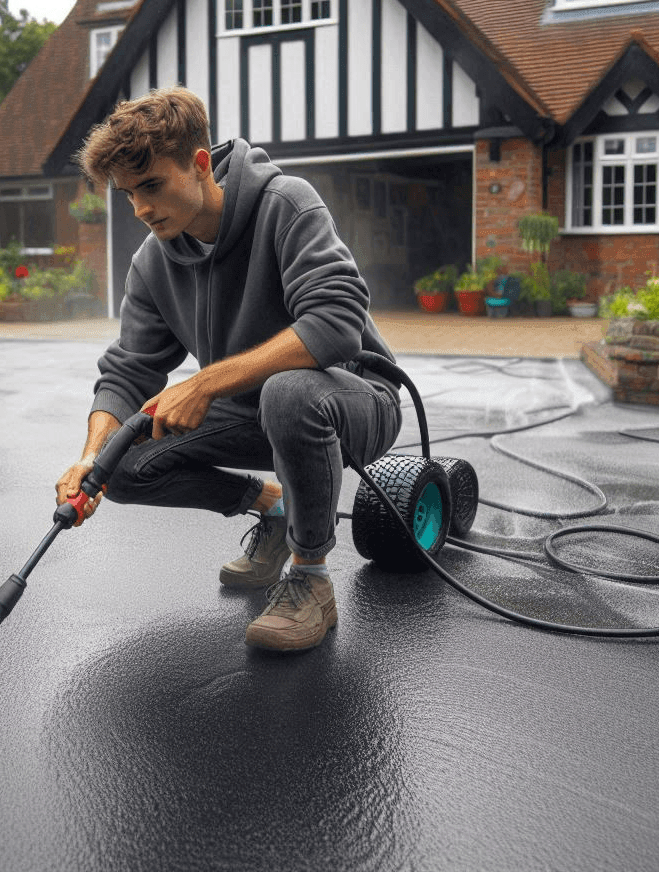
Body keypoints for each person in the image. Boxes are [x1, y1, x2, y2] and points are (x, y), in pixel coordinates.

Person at [55, 87, 402, 652]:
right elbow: (126, 372)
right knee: (121, 460)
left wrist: (206, 381)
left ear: (197, 167)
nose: (140, 208)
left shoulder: (287, 203)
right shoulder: (152, 263)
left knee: (288, 393)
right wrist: (92, 457)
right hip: (253, 412)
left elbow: (337, 321)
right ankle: (274, 506)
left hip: (355, 398)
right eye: (127, 195)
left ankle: (311, 577)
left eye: (151, 186)